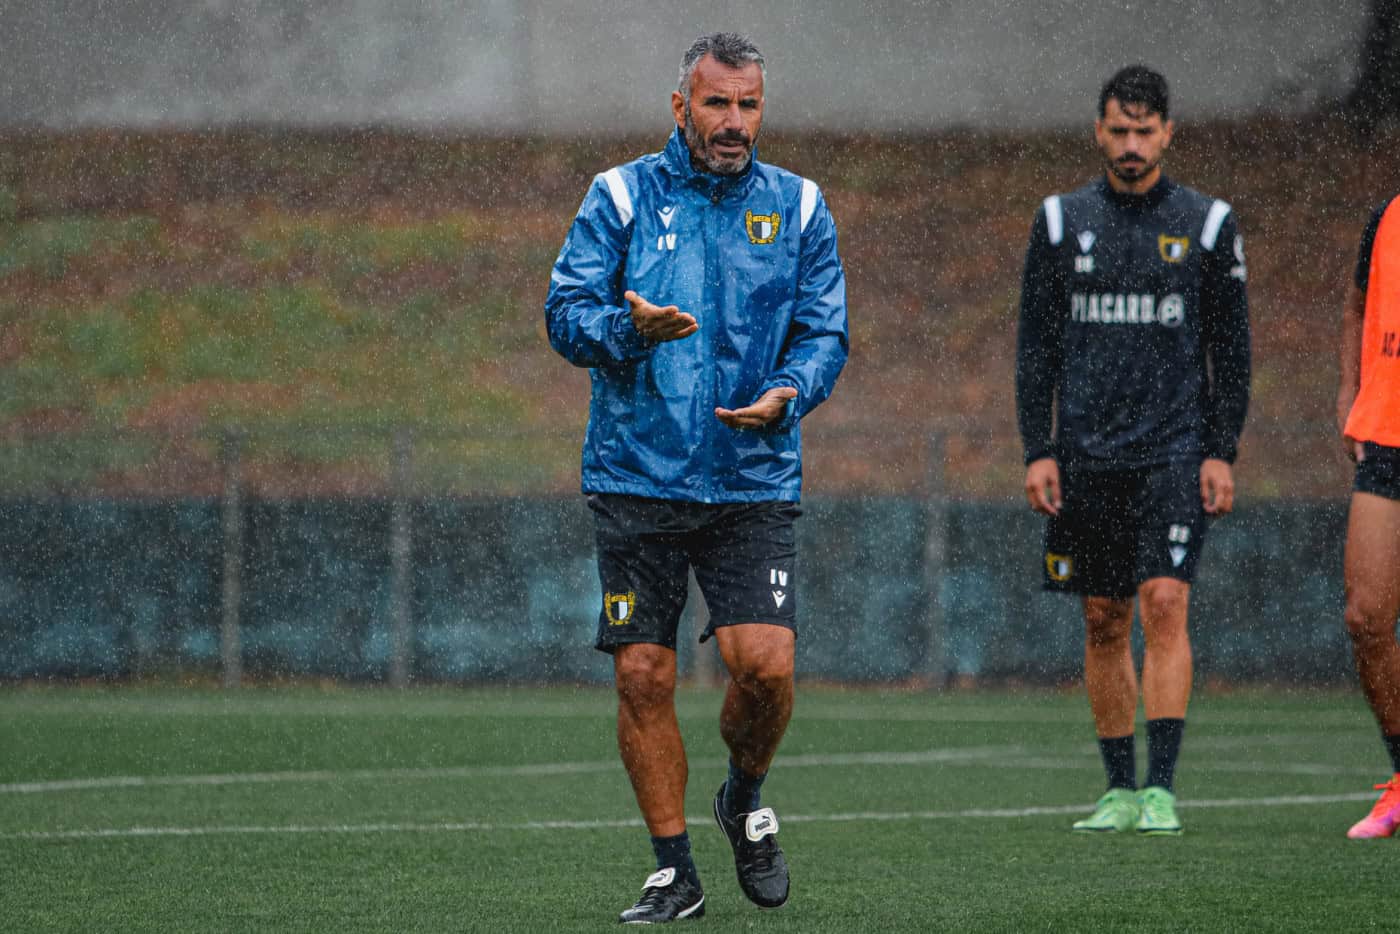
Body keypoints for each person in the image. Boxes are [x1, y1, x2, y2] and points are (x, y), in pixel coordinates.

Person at [545, 32, 848, 923]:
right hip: (638, 475)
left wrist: (790, 392)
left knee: (767, 669)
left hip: (752, 479)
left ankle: (742, 796)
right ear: (681, 106)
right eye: (717, 103)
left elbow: (824, 332)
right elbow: (565, 313)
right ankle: (674, 871)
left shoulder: (799, 207)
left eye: (749, 104)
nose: (734, 121)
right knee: (643, 674)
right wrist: (627, 330)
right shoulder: (621, 196)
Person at [1015, 65, 1250, 836]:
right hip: (1086, 455)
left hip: (1175, 451)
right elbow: (1036, 348)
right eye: (1118, 130)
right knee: (1103, 616)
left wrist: (1220, 451)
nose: (1131, 145)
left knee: (1166, 601)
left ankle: (1162, 790)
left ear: (1168, 133)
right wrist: (1038, 449)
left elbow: (1231, 352)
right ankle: (1118, 789)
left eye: (1144, 131)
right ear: (1098, 130)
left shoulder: (1208, 225)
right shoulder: (1060, 221)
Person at [1336, 195, 1400, 839]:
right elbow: (1358, 304)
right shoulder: (1387, 215)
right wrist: (1349, 387)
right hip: (1388, 432)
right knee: (1366, 616)